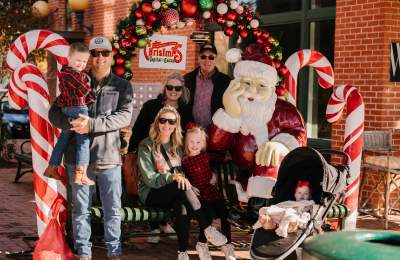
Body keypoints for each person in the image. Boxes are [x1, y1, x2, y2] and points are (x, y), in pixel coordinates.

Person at [49, 36, 133, 260]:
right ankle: (84, 254)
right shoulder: (74, 79)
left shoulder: (122, 85)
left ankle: (114, 253)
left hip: (109, 159)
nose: (100, 57)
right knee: (80, 211)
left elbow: (124, 116)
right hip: (78, 161)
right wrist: (71, 124)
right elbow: (54, 112)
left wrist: (92, 125)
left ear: (111, 56)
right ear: (89, 57)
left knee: (113, 211)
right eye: (95, 53)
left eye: (104, 53)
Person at [208, 44, 307, 204]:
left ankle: (260, 202)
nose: (253, 91)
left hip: (277, 172)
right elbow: (215, 146)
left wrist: (281, 145)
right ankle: (250, 198)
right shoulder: (236, 105)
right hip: (243, 172)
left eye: (261, 85)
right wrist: (231, 113)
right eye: (247, 83)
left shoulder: (284, 110)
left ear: (271, 87)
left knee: (269, 156)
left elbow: (299, 134)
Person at [137, 106, 227, 260]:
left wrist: (189, 185)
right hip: (152, 193)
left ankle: (182, 252)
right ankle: (207, 228)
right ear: (157, 122)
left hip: (177, 192)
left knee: (182, 206)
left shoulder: (177, 146)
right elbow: (150, 179)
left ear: (176, 124)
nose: (166, 125)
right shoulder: (146, 145)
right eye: (163, 120)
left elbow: (183, 172)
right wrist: (173, 178)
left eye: (171, 121)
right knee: (178, 186)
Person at [129, 72, 192, 243]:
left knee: (178, 190)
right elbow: (138, 129)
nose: (173, 91)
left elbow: (188, 135)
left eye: (177, 88)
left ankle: (179, 243)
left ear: (182, 90)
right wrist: (135, 149)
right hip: (152, 152)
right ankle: (158, 226)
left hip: (173, 153)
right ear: (165, 89)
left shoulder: (186, 109)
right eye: (170, 87)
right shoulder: (151, 106)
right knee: (168, 180)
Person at [181, 126, 236, 260]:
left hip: (211, 190)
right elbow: (182, 176)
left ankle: (227, 246)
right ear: (187, 143)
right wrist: (190, 186)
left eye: (198, 142)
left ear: (203, 144)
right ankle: (202, 244)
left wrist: (215, 175)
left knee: (225, 213)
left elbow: (221, 157)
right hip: (199, 195)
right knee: (208, 215)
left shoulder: (206, 156)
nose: (195, 145)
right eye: (192, 142)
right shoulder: (185, 160)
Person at [44, 42, 94, 185]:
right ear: (69, 59)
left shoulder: (71, 73)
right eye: (78, 60)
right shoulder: (69, 74)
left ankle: (52, 167)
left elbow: (75, 95)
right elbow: (84, 90)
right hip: (78, 109)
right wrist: (88, 84)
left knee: (63, 140)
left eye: (84, 61)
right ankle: (81, 174)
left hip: (70, 108)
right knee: (83, 142)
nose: (81, 64)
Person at [184, 43, 231, 129]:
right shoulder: (187, 79)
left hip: (215, 131)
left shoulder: (226, 81)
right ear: (198, 59)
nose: (207, 60)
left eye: (211, 57)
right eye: (203, 57)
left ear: (215, 60)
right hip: (191, 130)